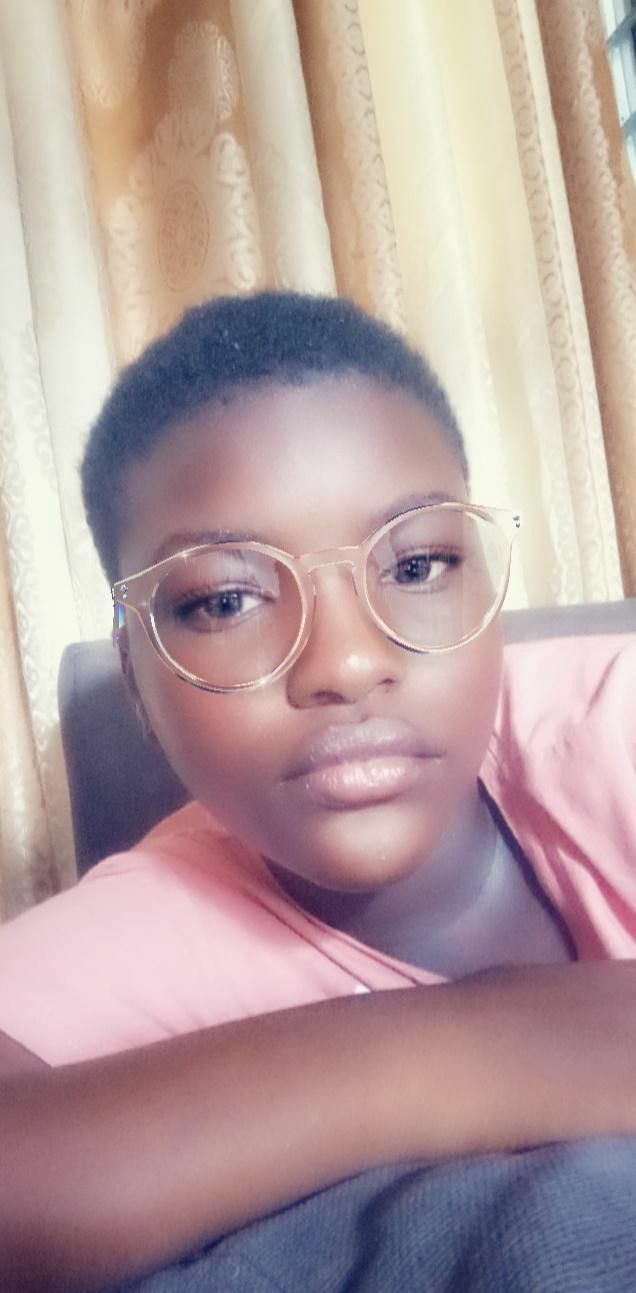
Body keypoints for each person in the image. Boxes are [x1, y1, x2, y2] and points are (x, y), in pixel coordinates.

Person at [0, 292, 635, 1293]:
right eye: (226, 599)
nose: (344, 662)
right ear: (137, 677)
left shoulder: (609, 725)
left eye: (417, 564)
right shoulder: (163, 912)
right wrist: (489, 1040)